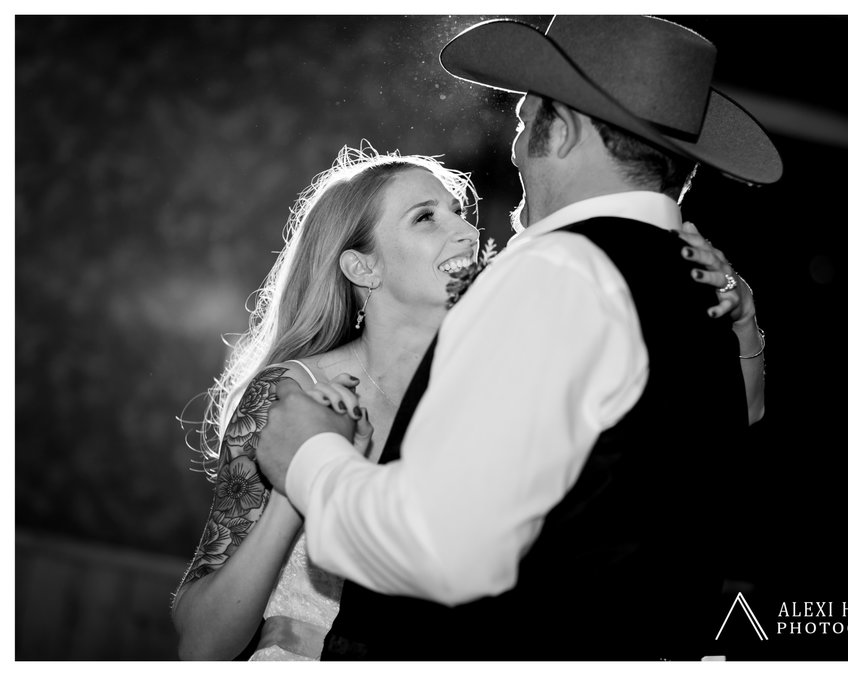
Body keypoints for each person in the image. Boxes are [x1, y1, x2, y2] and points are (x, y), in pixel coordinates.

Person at [255, 16, 780, 660]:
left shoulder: (563, 269)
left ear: (563, 131)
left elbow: (444, 549)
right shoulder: (705, 297)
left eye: (527, 120)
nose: (515, 146)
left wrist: (309, 457)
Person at [170, 141, 755, 660]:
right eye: (426, 217)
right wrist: (295, 482)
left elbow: (724, 425)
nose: (467, 231)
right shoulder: (295, 392)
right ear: (361, 266)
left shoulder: (506, 373)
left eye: (460, 212)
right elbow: (203, 643)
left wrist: (742, 329)